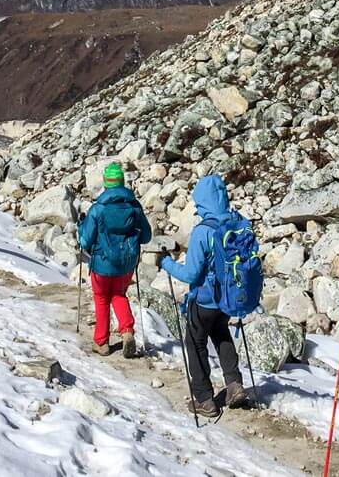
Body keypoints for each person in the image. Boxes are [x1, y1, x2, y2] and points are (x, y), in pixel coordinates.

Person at [160, 174, 249, 417]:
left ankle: (204, 399)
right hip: (229, 298)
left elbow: (190, 274)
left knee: (195, 342)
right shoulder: (237, 223)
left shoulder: (203, 231)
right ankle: (234, 384)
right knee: (221, 335)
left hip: (205, 299)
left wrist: (166, 263)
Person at [78, 162, 152, 358]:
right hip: (126, 262)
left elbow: (85, 240)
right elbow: (146, 237)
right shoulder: (134, 207)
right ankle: (127, 330)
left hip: (102, 263)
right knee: (119, 294)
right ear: (122, 182)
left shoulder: (98, 209)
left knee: (101, 299)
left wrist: (80, 227)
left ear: (106, 184)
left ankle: (101, 342)